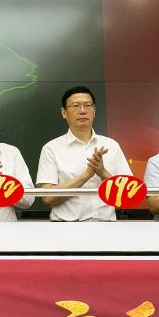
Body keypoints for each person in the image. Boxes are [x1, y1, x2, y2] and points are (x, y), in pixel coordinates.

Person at [37, 85, 131, 221]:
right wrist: (85, 176)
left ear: (94, 111)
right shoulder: (51, 148)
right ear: (64, 112)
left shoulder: (111, 145)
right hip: (66, 227)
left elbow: (128, 194)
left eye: (88, 105)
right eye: (76, 106)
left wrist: (103, 173)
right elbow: (47, 198)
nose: (82, 111)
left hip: (106, 226)